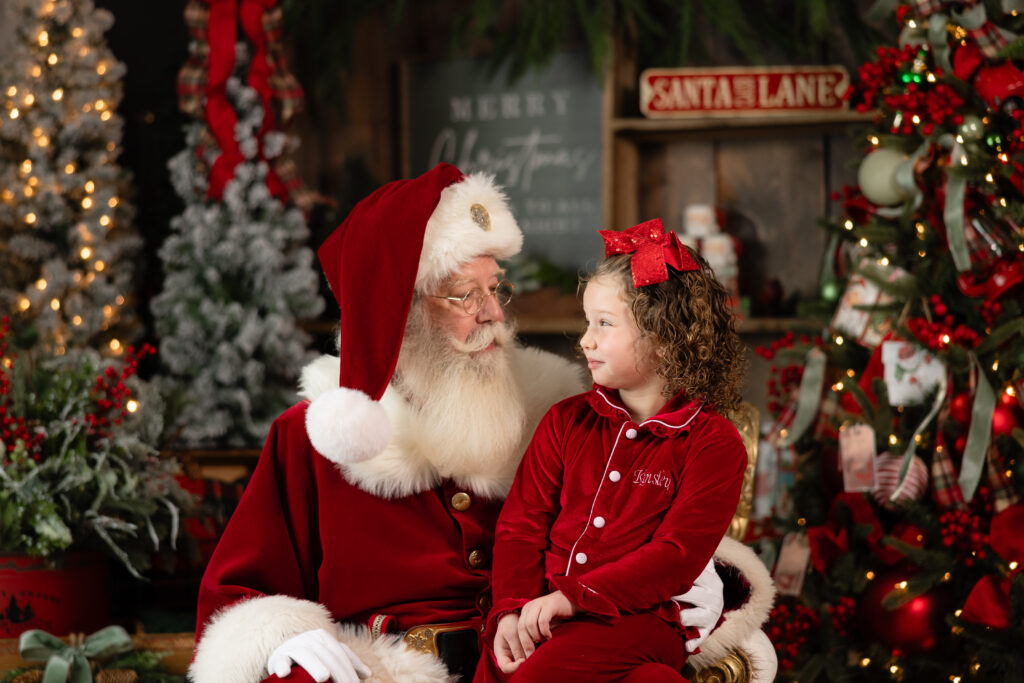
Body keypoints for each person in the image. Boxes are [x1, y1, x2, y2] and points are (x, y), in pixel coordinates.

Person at [188, 165, 750, 683]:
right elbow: (238, 592)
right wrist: (276, 638)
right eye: (465, 295)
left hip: (551, 654)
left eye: (495, 287)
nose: (494, 313)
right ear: (399, 316)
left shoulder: (557, 410)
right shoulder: (310, 437)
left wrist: (709, 577)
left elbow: (653, 514)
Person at [474, 219, 748, 683]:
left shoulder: (713, 443)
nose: (586, 340)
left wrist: (571, 598)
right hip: (544, 612)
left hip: (644, 619)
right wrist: (510, 612)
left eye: (604, 324)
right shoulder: (566, 421)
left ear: (664, 338)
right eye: (587, 322)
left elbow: (675, 555)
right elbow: (521, 527)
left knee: (537, 676)